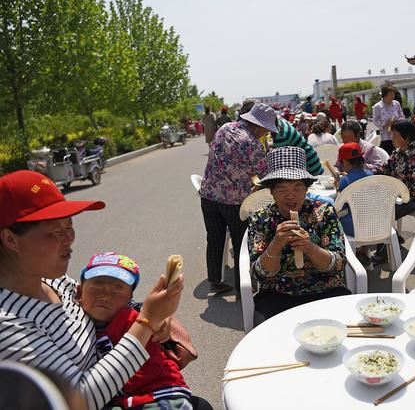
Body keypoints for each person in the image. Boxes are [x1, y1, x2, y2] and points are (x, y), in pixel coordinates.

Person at [0, 170, 184, 410]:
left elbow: (104, 308)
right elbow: (79, 400)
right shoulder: (8, 324)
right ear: (11, 240)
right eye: (56, 232)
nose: (69, 240)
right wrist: (146, 323)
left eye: (70, 228)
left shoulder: (54, 281)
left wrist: (151, 317)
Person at [248, 147, 351, 322]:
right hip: (277, 294)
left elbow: (337, 265)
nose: (290, 195)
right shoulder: (261, 218)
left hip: (326, 290)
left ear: (306, 188)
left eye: (297, 187)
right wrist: (277, 243)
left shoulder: (323, 212)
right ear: (271, 192)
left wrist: (308, 246)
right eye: (281, 189)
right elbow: (261, 274)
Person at [78, 252, 191, 409]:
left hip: (159, 394)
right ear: (79, 290)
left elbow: (151, 367)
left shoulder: (134, 321)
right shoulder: (74, 319)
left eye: (117, 289)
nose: (105, 295)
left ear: (129, 298)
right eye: (97, 284)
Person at [200, 102, 276, 297]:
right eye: (266, 130)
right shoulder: (252, 144)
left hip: (208, 195)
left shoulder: (225, 128)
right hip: (233, 202)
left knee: (214, 239)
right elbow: (264, 175)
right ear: (259, 125)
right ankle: (243, 288)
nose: (265, 134)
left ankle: (215, 281)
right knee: (241, 242)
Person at [373, 120, 415, 258]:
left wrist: (394, 193)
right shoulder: (398, 152)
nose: (392, 138)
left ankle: (385, 251)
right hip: (400, 196)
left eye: (395, 135)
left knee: (385, 212)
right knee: (374, 205)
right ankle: (395, 238)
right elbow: (385, 169)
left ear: (407, 137)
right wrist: (367, 174)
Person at [336, 142, 373, 236]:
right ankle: (365, 250)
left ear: (346, 163)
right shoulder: (371, 175)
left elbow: (340, 207)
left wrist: (338, 187)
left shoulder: (345, 180)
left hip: (353, 227)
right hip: (373, 224)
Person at [373, 85, 404, 155]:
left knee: (399, 154)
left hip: (398, 135)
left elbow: (402, 116)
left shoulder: (396, 104)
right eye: (391, 94)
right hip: (386, 137)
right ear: (385, 95)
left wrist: (395, 121)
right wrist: (385, 124)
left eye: (393, 93)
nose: (393, 95)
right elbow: (375, 120)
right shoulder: (377, 106)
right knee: (388, 155)